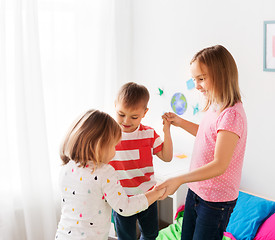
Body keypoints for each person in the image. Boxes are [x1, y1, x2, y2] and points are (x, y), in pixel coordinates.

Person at [159, 45, 247, 240]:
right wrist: (180, 122)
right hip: (197, 190)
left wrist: (180, 179)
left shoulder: (231, 115)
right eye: (194, 79)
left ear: (221, 75)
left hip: (215, 201)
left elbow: (219, 164)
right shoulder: (216, 105)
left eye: (201, 79)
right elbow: (208, 136)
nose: (197, 85)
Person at [55, 109, 165, 240]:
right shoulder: (104, 172)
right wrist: (156, 193)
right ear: (100, 145)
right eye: (114, 146)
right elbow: (125, 207)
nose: (114, 153)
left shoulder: (66, 168)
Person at [109, 82, 173, 240]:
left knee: (151, 233)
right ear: (115, 106)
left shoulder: (149, 134)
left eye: (134, 117)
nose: (126, 121)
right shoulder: (108, 135)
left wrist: (166, 131)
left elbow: (167, 157)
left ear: (145, 113)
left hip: (148, 196)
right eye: (121, 114)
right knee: (126, 237)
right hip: (121, 199)